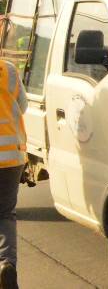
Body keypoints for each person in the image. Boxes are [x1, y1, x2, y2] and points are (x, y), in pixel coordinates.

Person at [0, 61, 27, 289]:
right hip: (11, 157)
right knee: (6, 215)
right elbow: (23, 106)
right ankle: (7, 265)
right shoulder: (8, 70)